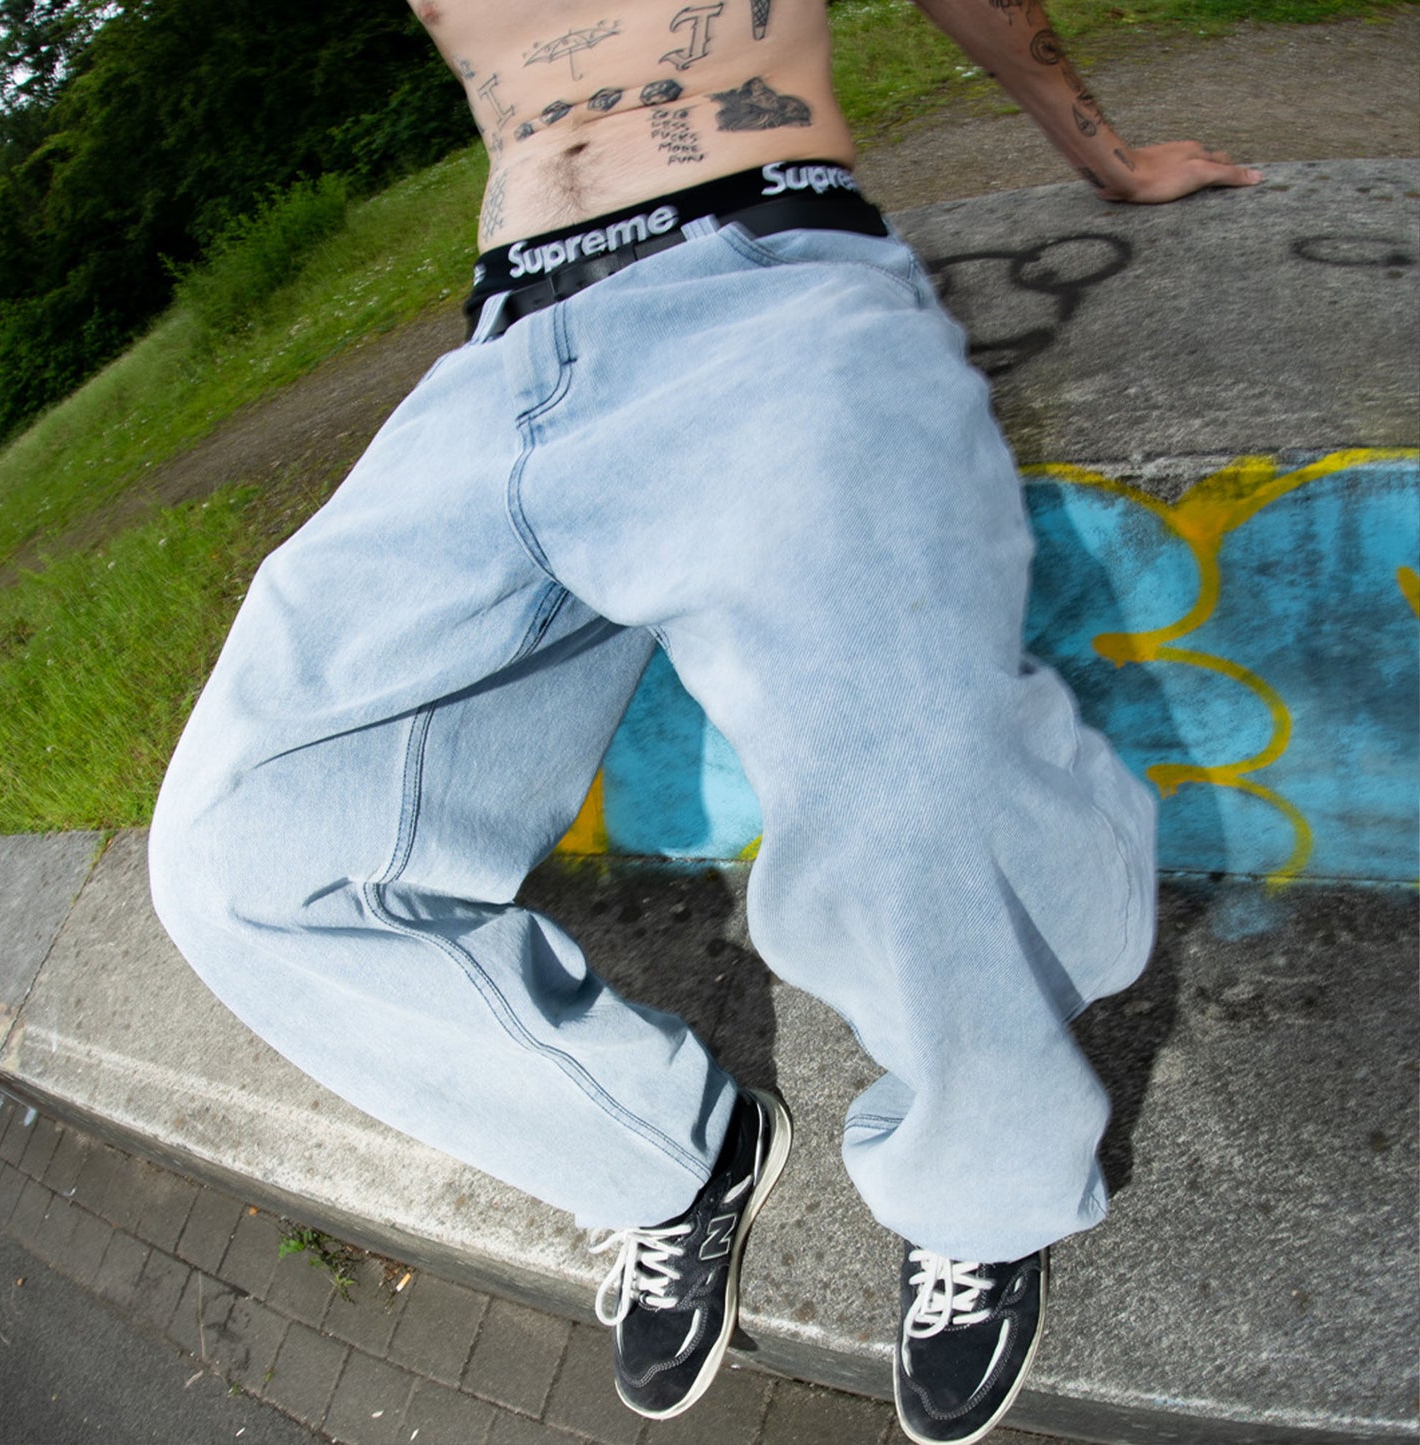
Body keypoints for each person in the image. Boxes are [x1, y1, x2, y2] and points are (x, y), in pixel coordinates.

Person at [148, 3, 1258, 1440]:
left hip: (763, 277)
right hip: (496, 368)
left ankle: (983, 1190)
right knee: (238, 861)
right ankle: (669, 1158)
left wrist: (1103, 155)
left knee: (912, 764)